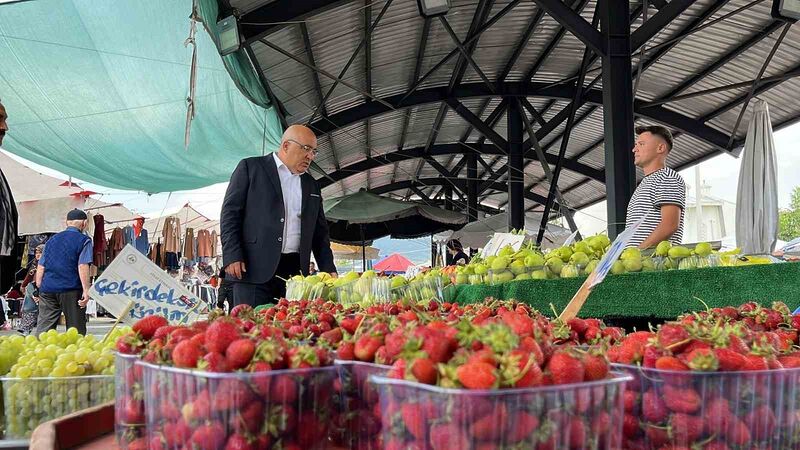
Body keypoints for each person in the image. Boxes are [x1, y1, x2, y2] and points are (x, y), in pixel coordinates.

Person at [221, 124, 337, 307]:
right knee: (250, 329)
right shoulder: (251, 168)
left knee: (289, 327)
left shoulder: (311, 184)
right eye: (306, 149)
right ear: (286, 146)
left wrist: (328, 268)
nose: (310, 156)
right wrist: (232, 254)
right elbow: (230, 214)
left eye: (314, 151)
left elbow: (319, 232)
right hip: (252, 268)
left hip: (295, 275)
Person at [627, 125, 686, 249]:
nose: (634, 149)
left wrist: (638, 251)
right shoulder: (645, 182)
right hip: (638, 262)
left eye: (641, 144)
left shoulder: (667, 177)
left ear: (660, 148)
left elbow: (670, 224)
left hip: (655, 262)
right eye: (636, 144)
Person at [35, 209, 93, 335]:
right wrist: (86, 290)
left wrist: (39, 284)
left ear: (67, 223)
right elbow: (82, 265)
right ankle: (75, 353)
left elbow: (41, 265)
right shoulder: (84, 240)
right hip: (71, 290)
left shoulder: (51, 240)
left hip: (48, 289)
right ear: (84, 223)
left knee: (44, 329)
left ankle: (38, 352)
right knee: (75, 330)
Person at [19, 245, 43, 334]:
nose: (37, 255)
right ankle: (25, 328)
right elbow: (29, 275)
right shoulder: (34, 265)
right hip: (33, 288)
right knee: (28, 308)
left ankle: (42, 330)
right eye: (36, 253)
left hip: (44, 289)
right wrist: (23, 285)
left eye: (40, 253)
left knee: (43, 311)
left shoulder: (48, 264)